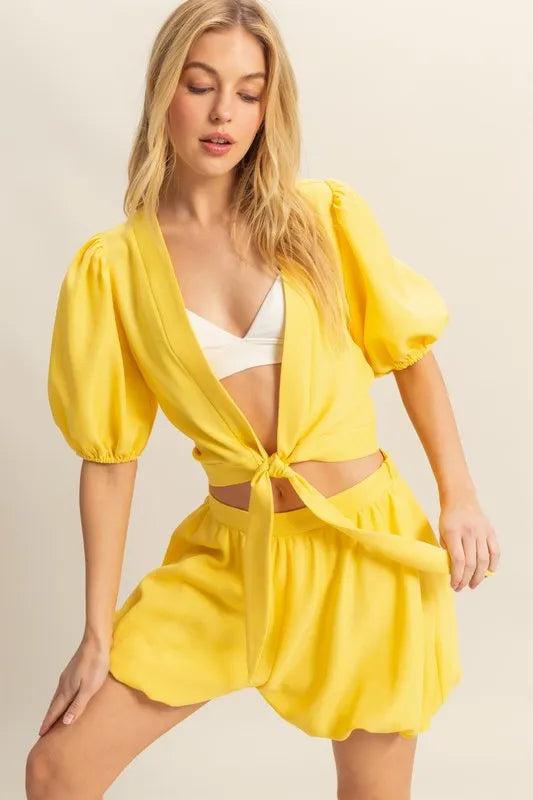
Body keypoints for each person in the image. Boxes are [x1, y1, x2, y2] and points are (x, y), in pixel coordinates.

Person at [26, 1, 500, 798]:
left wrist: (460, 499)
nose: (224, 113)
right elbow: (109, 458)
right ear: (162, 93)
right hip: (230, 559)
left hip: (364, 555)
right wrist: (97, 632)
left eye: (248, 93)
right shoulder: (112, 269)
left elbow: (410, 357)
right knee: (57, 767)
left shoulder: (321, 219)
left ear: (267, 107)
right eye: (200, 85)